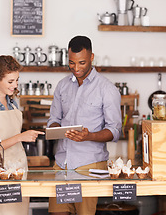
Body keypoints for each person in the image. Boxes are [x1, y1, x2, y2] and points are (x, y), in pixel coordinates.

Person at [47, 35, 122, 215]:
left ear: (91, 57)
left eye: (81, 63)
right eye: (71, 63)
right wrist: (56, 128)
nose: (76, 68)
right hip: (61, 165)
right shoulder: (62, 86)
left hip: (89, 167)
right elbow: (53, 119)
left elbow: (115, 131)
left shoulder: (107, 89)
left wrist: (89, 136)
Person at [0, 55, 43, 215]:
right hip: (1, 170)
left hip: (20, 167)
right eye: (11, 82)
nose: (15, 85)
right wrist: (20, 137)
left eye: (17, 80)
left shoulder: (13, 103)